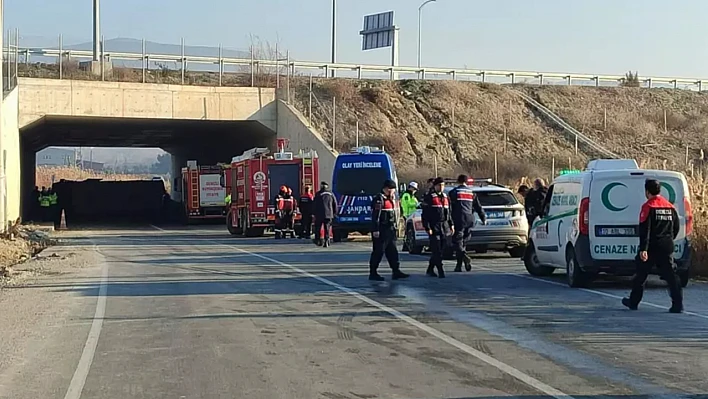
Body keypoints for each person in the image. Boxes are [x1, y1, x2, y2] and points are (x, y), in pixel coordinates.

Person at [622, 179, 683, 313]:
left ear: (647, 192)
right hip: (667, 245)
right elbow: (676, 227)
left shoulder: (648, 206)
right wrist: (668, 239)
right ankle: (677, 304)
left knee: (641, 275)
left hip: (651, 247)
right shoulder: (670, 207)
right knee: (671, 276)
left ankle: (633, 302)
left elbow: (645, 230)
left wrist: (643, 249)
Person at [369, 179, 410, 281]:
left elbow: (397, 213)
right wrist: (375, 229)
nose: (393, 191)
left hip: (391, 229)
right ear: (386, 189)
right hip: (382, 229)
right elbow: (375, 216)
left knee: (392, 251)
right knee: (378, 251)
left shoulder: (393, 199)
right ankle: (373, 272)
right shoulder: (379, 199)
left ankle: (396, 271)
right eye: (391, 189)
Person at [448, 174, 487, 272]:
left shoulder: (454, 192)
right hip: (470, 219)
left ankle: (464, 257)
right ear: (466, 182)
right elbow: (478, 207)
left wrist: (449, 221)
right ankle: (459, 266)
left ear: (458, 181)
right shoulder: (472, 193)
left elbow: (449, 208)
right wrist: (483, 218)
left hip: (458, 219)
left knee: (458, 243)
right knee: (463, 242)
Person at [422, 177, 453, 278]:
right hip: (434, 226)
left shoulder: (445, 197)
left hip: (444, 227)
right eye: (439, 185)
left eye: (443, 185)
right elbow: (425, 215)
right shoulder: (430, 197)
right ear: (435, 186)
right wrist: (427, 227)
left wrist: (451, 224)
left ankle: (430, 269)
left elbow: (449, 213)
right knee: (436, 250)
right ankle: (441, 271)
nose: (441, 187)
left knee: (442, 249)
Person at [314, 181, 337, 247]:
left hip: (319, 214)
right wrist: (334, 213)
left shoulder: (318, 194)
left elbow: (315, 204)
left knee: (317, 228)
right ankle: (327, 240)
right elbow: (335, 204)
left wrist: (313, 213)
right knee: (327, 228)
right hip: (329, 214)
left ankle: (318, 240)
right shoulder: (331, 194)